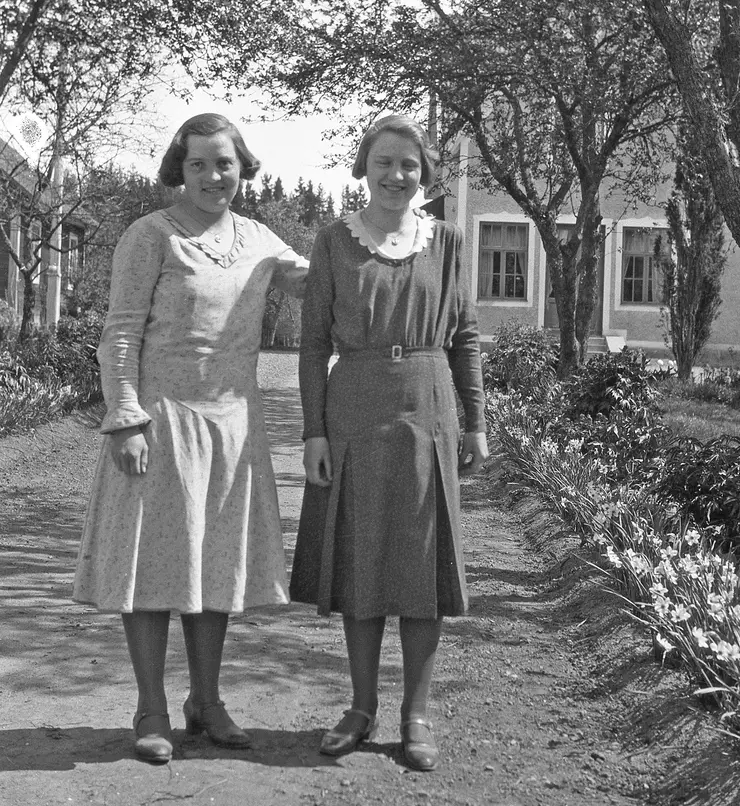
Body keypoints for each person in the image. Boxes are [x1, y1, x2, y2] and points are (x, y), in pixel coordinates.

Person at [73, 113, 309, 764]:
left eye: (224, 163)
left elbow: (320, 280)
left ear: (242, 167)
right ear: (179, 169)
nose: (212, 176)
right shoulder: (150, 235)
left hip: (232, 427)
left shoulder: (259, 239)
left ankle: (206, 701)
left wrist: (382, 240)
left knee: (214, 566)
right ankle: (150, 708)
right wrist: (126, 416)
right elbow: (121, 332)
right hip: (161, 422)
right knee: (151, 568)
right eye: (198, 163)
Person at [290, 113, 488, 772]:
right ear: (363, 170)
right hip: (355, 408)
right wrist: (314, 431)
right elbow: (313, 344)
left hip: (428, 406)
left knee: (422, 563)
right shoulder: (334, 241)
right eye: (384, 163)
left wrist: (476, 422)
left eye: (409, 164)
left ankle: (416, 714)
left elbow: (465, 336)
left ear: (425, 172)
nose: (397, 175)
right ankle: (361, 706)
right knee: (363, 558)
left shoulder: (447, 240)